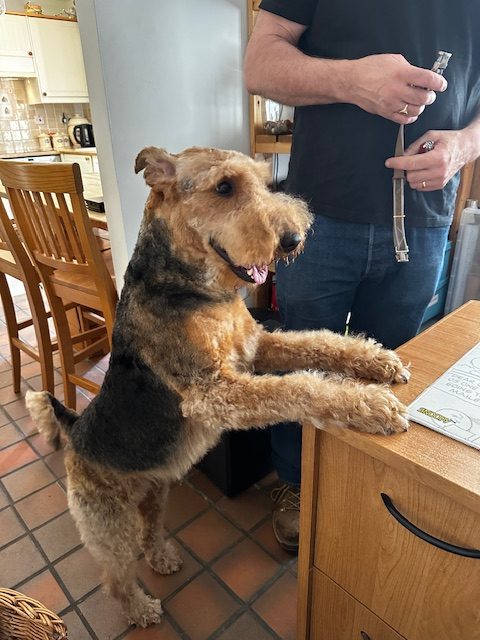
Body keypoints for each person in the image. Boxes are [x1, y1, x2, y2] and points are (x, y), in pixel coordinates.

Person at [244, 0, 480, 552]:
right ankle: (297, 481)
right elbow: (260, 64)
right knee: (300, 361)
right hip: (317, 219)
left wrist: (465, 146)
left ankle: (361, 478)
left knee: (388, 365)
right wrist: (352, 81)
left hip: (423, 223)